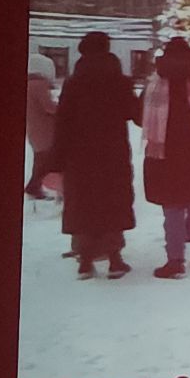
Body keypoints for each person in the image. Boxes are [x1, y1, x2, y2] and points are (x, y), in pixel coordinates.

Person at [54, 33, 136, 279]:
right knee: (112, 199)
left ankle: (85, 260)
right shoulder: (120, 81)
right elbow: (134, 112)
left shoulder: (73, 82)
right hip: (113, 151)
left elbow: (63, 122)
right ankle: (114, 259)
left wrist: (55, 160)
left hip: (79, 154)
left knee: (83, 201)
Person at [141, 38, 190, 279]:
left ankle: (175, 260)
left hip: (165, 153)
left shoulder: (154, 84)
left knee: (173, 207)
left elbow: (137, 114)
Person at [24, 54, 59, 199]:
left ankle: (35, 186)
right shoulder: (40, 84)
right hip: (44, 129)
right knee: (45, 160)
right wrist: (61, 108)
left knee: (40, 159)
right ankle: (34, 187)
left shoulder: (28, 84)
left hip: (34, 128)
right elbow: (48, 107)